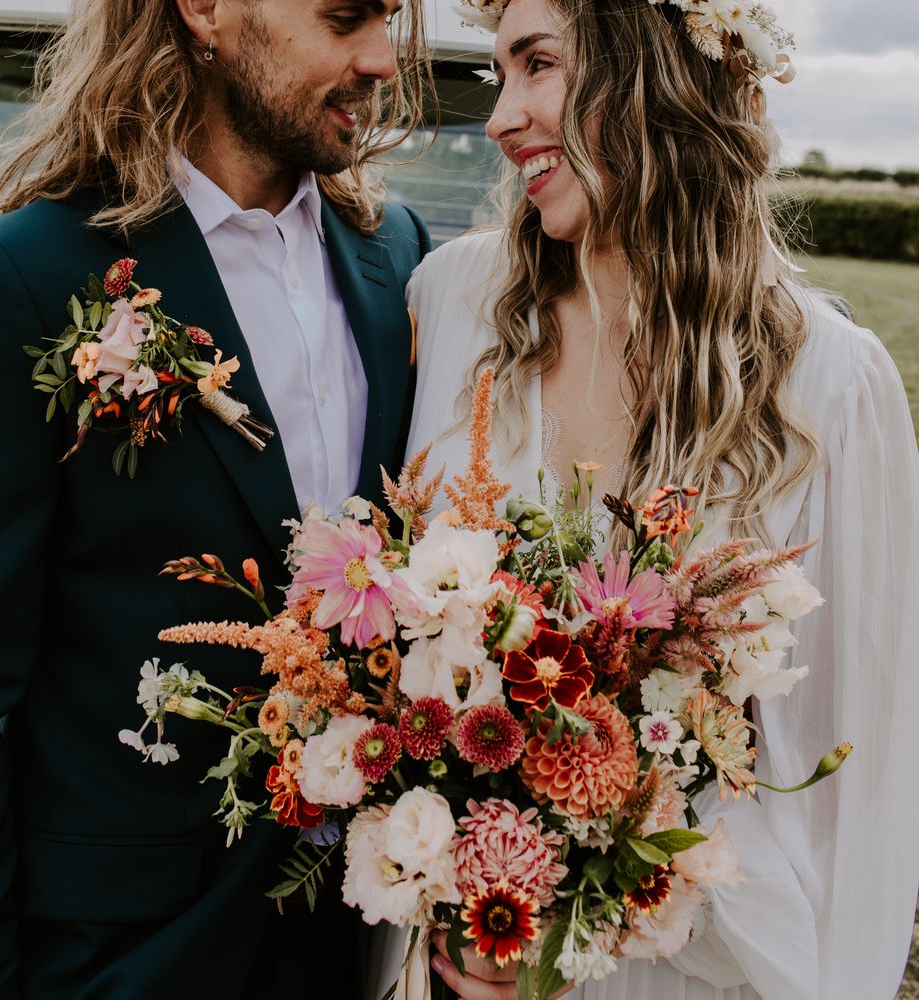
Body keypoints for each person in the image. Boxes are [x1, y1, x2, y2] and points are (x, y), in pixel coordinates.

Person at [373, 0, 919, 998]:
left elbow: (866, 787)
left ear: (657, 68)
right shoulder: (451, 302)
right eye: (499, 75)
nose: (499, 118)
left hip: (704, 966)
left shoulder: (833, 386)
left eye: (536, 64)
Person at [0, 0, 431, 997]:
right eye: (343, 16)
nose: (380, 60)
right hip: (110, 958)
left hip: (343, 948)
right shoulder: (18, 281)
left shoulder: (397, 261)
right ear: (205, 10)